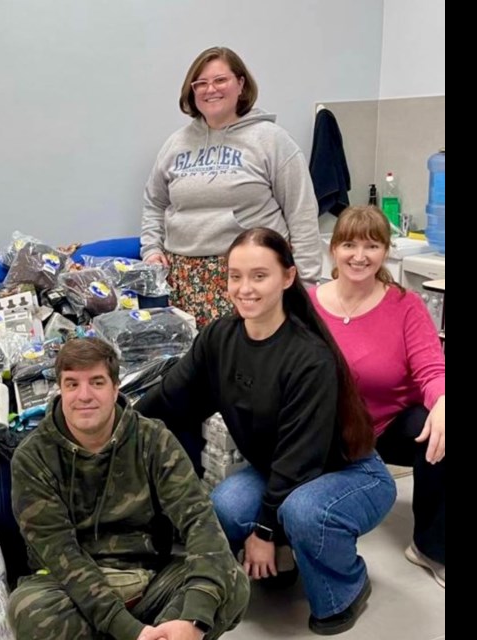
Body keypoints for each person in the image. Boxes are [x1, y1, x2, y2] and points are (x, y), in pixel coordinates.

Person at [137, 228, 396, 635]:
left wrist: (264, 531)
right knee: (223, 505)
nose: (244, 289)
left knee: (303, 512)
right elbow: (171, 399)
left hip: (349, 473)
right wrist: (115, 427)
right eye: (235, 276)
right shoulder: (219, 337)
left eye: (259, 276)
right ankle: (287, 560)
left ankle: (348, 587)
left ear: (288, 278)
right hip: (280, 470)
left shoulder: (309, 357)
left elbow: (301, 457)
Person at [8, 337, 249, 640]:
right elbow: (61, 554)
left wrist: (193, 619)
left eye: (96, 382)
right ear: (60, 389)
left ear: (115, 388)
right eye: (72, 384)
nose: (84, 396)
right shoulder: (33, 457)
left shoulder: (153, 440)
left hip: (150, 580)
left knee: (231, 581)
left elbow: (199, 521)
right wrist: (129, 630)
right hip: (73, 590)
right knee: (30, 611)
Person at [310, 205, 445, 587]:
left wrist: (443, 404)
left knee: (438, 429)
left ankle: (431, 548)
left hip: (389, 426)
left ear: (385, 252)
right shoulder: (308, 305)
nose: (359, 255)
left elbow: (432, 370)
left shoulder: (406, 306)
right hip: (330, 427)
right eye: (349, 244)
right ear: (333, 249)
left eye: (372, 245)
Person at [139, 46, 321, 329]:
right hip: (183, 282)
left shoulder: (272, 140)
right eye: (201, 83)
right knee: (197, 368)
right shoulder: (175, 144)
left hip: (251, 281)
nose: (210, 89)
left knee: (250, 367)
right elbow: (154, 203)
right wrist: (151, 249)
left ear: (240, 83)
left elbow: (302, 214)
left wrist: (306, 289)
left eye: (220, 80)